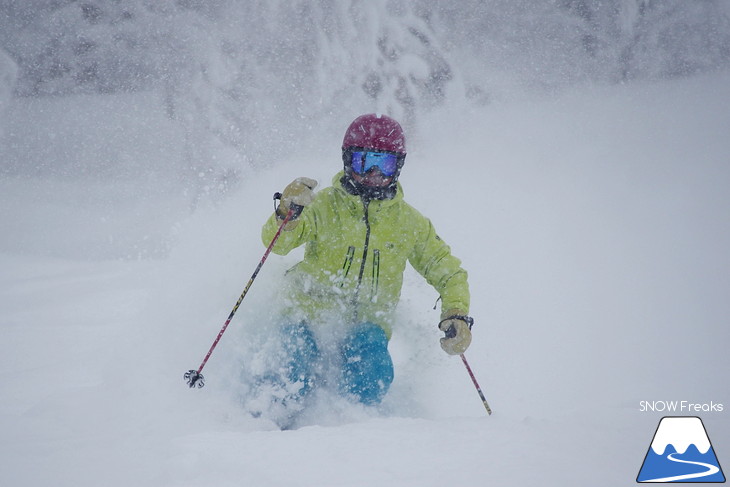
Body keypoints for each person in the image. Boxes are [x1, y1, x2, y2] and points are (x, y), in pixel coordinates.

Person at [257, 113, 473, 425]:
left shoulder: (408, 222)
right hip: (306, 314)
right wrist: (287, 213)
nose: (373, 173)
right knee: (291, 365)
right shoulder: (322, 205)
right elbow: (275, 245)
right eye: (364, 161)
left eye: (383, 164)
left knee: (373, 369)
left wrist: (456, 313)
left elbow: (449, 271)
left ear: (397, 167)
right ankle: (263, 426)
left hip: (367, 326)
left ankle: (350, 435)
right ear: (348, 161)